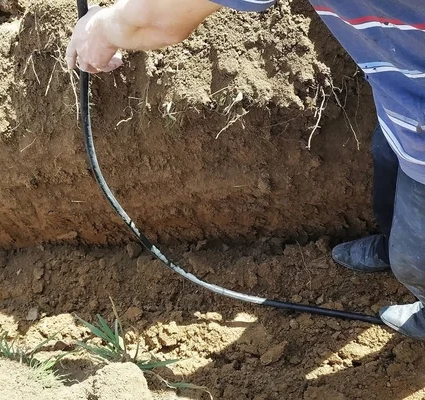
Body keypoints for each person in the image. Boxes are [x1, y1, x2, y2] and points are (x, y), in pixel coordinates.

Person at [66, 0, 425, 340]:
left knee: (413, 257)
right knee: (388, 163)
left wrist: (102, 28)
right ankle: (392, 245)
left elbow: (159, 20)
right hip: (403, 99)